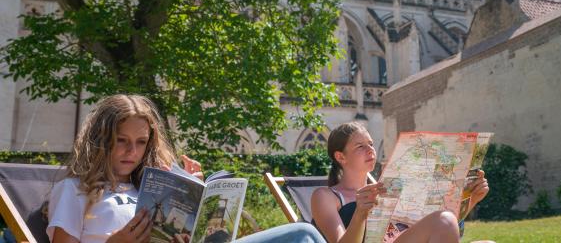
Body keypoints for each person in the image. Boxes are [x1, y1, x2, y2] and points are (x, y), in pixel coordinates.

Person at [47, 94, 325, 243]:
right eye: (121, 141)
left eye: (141, 142)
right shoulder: (75, 190)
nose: (132, 151)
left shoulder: (147, 185)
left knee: (304, 235)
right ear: (101, 140)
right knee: (302, 235)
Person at [311, 122, 490, 243]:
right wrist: (360, 214)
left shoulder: (390, 187)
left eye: (371, 144)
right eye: (360, 146)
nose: (370, 150)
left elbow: (440, 231)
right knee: (443, 219)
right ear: (340, 156)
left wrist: (471, 199)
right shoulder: (326, 196)